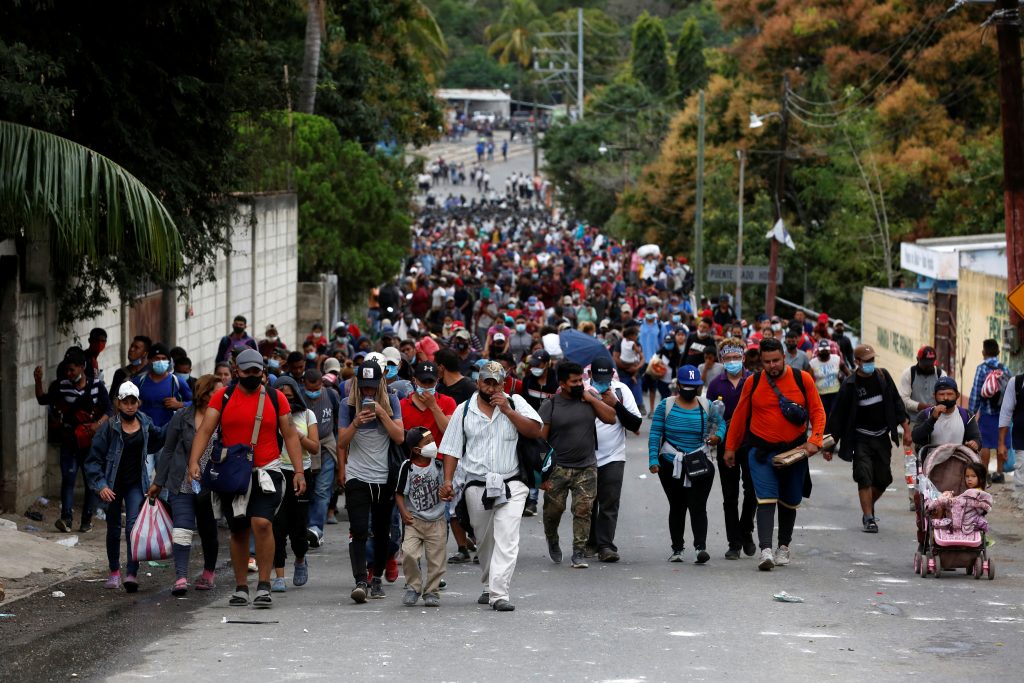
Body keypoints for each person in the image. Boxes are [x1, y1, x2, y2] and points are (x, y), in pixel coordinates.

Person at [187, 349, 305, 609]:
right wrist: (194, 462)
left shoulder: (276, 398)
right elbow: (205, 430)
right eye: (247, 371)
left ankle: (264, 585)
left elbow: (290, 435)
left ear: (263, 371)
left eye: (257, 371)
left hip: (268, 471)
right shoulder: (223, 396)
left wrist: (298, 471)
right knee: (238, 530)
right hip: (233, 473)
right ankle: (241, 587)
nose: (252, 375)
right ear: (237, 371)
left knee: (262, 523)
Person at [438, 361, 543, 612]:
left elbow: (535, 430)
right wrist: (448, 481)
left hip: (512, 482)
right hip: (476, 485)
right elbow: (451, 450)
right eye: (487, 381)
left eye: (497, 382)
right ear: (478, 382)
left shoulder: (516, 402)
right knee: (485, 540)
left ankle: (499, 593)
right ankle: (489, 583)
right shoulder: (464, 411)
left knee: (507, 537)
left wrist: (508, 411)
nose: (492, 387)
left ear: (504, 383)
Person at [724, 338, 826, 571]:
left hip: (795, 453)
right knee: (766, 498)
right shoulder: (753, 382)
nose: (772, 365)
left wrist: (815, 440)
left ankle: (783, 547)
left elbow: (818, 411)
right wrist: (731, 447)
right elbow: (740, 416)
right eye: (767, 361)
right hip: (761, 452)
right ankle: (766, 550)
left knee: (790, 500)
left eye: (776, 360)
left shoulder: (803, 379)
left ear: (784, 358)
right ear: (761, 361)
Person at [84, 382, 165, 593]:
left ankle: (131, 573)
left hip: (135, 484)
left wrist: (179, 420)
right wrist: (100, 485)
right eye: (125, 402)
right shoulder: (109, 428)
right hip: (112, 485)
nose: (129, 406)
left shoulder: (145, 422)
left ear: (138, 403)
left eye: (133, 402)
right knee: (113, 529)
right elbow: (93, 460)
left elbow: (159, 439)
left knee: (132, 527)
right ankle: (113, 572)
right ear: (118, 403)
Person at [337, 360, 405, 603]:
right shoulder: (347, 405)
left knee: (382, 530)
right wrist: (356, 422)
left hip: (384, 477)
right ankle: (360, 582)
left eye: (372, 387)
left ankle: (376, 578)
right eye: (364, 387)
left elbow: (399, 437)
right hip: (358, 476)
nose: (367, 391)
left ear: (380, 385)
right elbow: (342, 442)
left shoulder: (392, 400)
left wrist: (381, 413)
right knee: (358, 531)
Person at [825, 344, 911, 533]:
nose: (870, 364)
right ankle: (869, 517)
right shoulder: (849, 385)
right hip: (860, 438)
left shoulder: (883, 376)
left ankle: (867, 505)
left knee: (883, 479)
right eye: (866, 361)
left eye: (872, 360)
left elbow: (897, 403)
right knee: (864, 476)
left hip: (881, 437)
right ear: (857, 362)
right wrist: (829, 446)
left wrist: (906, 430)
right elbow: (837, 417)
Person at [539, 361, 617, 569]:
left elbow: (611, 418)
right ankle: (552, 538)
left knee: (584, 510)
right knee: (553, 511)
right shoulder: (551, 405)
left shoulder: (589, 399)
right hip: (558, 469)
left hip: (586, 467)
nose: (579, 384)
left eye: (580, 380)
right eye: (574, 382)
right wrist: (540, 475)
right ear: (562, 383)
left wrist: (591, 399)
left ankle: (578, 552)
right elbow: (541, 442)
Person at [648, 365, 726, 564]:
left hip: (699, 462)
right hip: (670, 463)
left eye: (695, 386)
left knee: (698, 505)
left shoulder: (706, 405)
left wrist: (718, 436)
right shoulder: (666, 405)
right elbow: (655, 433)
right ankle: (677, 549)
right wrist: (653, 460)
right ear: (678, 385)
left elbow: (721, 423)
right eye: (686, 385)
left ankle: (701, 547)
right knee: (677, 506)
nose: (690, 389)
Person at [35, 347, 111, 532]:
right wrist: (38, 381)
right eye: (67, 370)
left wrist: (97, 425)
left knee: (91, 481)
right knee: (68, 479)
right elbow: (42, 399)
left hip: (91, 442)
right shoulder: (61, 386)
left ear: (82, 367)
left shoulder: (96, 386)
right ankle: (66, 519)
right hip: (69, 441)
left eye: (72, 370)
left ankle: (86, 520)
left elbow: (110, 410)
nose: (69, 374)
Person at [585, 356, 642, 562]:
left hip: (613, 456)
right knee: (587, 503)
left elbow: (635, 424)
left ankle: (606, 545)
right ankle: (589, 542)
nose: (603, 383)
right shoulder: (581, 390)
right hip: (586, 457)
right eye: (599, 378)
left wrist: (616, 405)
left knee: (609, 502)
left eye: (606, 378)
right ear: (590, 375)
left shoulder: (621, 390)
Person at [706, 339, 756, 560]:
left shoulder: (754, 380)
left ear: (743, 358)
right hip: (727, 445)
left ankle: (746, 530)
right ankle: (734, 542)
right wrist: (712, 437)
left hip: (752, 442)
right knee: (729, 495)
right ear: (722, 360)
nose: (733, 361)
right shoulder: (716, 384)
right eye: (728, 358)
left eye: (737, 357)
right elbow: (711, 418)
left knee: (753, 492)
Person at [270, 376, 319, 592]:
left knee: (298, 527)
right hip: (276, 472)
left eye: (290, 397)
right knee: (277, 526)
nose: (287, 401)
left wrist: (295, 434)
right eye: (283, 397)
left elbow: (315, 447)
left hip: (302, 473)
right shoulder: (270, 416)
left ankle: (300, 558)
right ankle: (279, 575)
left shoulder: (308, 415)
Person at [396, 427, 447, 608]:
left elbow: (448, 487)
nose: (433, 444)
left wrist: (448, 493)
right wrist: (403, 512)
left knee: (436, 559)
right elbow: (399, 493)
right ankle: (413, 587)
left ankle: (432, 591)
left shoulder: (439, 464)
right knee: (408, 553)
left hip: (437, 521)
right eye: (427, 442)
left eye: (433, 440)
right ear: (417, 450)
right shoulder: (408, 467)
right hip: (414, 521)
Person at [303, 369, 341, 549]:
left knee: (322, 490)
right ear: (304, 385)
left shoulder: (331, 395)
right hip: (305, 448)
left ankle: (316, 529)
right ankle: (304, 527)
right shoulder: (300, 399)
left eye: (317, 388)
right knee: (307, 492)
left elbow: (339, 420)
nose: (314, 392)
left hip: (327, 446)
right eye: (311, 388)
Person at [968, 339, 1012, 483]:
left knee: (985, 444)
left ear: (983, 352)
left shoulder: (981, 369)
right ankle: (999, 473)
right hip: (1003, 414)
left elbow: (976, 392)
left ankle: (984, 473)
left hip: (987, 412)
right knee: (1001, 442)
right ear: (998, 353)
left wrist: (971, 413)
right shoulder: (1005, 369)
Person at [912, 376, 981, 451]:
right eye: (941, 394)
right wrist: (932, 419)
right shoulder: (925, 414)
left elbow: (977, 439)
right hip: (930, 461)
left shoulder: (967, 415)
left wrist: (975, 443)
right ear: (934, 396)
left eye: (950, 394)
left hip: (959, 460)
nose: (945, 398)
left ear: (957, 395)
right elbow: (916, 438)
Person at [133, 343, 192, 428]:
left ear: (169, 361)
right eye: (156, 359)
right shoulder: (139, 381)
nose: (160, 361)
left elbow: (195, 402)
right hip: (143, 431)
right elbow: (122, 402)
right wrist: (134, 403)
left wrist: (180, 404)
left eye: (164, 359)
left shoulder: (176, 381)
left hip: (168, 431)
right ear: (149, 360)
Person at [924, 462, 991, 534]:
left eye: (973, 476)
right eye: (967, 476)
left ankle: (935, 532)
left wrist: (947, 498)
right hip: (969, 519)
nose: (969, 479)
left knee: (938, 511)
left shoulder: (974, 492)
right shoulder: (977, 492)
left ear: (981, 478)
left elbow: (960, 502)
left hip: (963, 520)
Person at [400, 361, 456, 438]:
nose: (426, 386)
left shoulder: (448, 402)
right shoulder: (402, 405)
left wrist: (433, 406)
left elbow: (450, 433)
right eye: (423, 382)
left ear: (437, 381)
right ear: (414, 380)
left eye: (431, 382)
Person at [898, 346, 946, 425]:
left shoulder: (941, 374)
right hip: (913, 421)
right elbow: (903, 399)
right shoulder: (908, 374)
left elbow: (944, 396)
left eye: (931, 364)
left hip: (936, 421)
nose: (929, 367)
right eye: (926, 364)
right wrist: (921, 407)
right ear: (918, 359)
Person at [809, 339, 845, 418]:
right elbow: (809, 379)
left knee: (835, 414)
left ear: (830, 350)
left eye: (826, 350)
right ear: (818, 351)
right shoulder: (813, 363)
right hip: (821, 394)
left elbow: (846, 371)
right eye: (822, 350)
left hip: (835, 392)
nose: (825, 352)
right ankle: (825, 430)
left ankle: (834, 430)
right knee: (824, 415)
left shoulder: (836, 359)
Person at [109, 335, 152, 399]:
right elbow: (112, 398)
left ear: (145, 353)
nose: (131, 349)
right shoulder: (120, 373)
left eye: (136, 348)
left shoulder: (150, 374)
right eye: (131, 346)